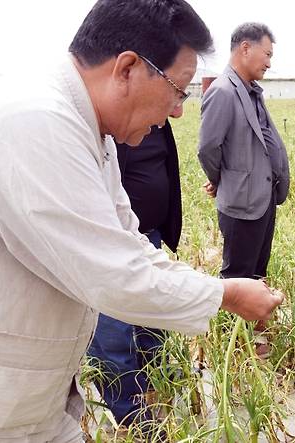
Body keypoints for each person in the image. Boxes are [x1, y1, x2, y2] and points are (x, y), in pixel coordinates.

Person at [0, 1, 283, 441]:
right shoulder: (37, 122)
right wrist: (225, 294)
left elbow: (131, 240)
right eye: (178, 90)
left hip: (29, 399)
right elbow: (113, 275)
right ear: (126, 68)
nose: (179, 111)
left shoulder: (91, 130)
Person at [198, 22, 290, 346]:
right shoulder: (223, 92)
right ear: (245, 48)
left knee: (257, 269)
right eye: (267, 54)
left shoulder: (251, 92)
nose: (269, 62)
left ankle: (256, 333)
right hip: (241, 202)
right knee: (237, 275)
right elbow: (208, 148)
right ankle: (236, 346)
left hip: (262, 199)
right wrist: (221, 180)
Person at [87, 121, 183, 427]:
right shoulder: (108, 126)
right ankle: (132, 416)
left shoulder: (154, 122)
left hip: (145, 236)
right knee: (114, 336)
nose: (177, 105)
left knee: (152, 322)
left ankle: (157, 388)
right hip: (110, 250)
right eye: (176, 90)